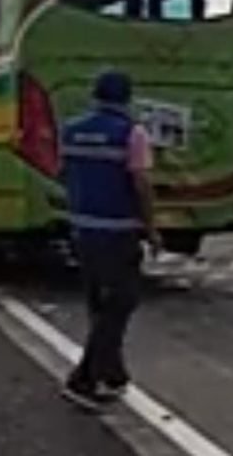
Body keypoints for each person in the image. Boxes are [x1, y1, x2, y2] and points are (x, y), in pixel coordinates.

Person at [59, 70, 161, 412]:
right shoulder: (132, 133)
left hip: (82, 229)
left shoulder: (72, 129)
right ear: (127, 98)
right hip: (118, 231)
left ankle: (113, 372)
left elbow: (63, 172)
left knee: (99, 305)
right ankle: (84, 378)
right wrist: (151, 227)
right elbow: (142, 184)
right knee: (121, 303)